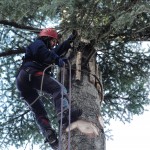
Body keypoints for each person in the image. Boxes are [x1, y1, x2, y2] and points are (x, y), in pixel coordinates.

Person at [16, 28, 82, 149]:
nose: (53, 45)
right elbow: (48, 54)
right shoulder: (38, 44)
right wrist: (58, 60)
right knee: (58, 88)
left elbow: (55, 52)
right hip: (30, 72)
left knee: (39, 110)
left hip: (23, 81)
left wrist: (68, 42)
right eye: (53, 41)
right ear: (46, 38)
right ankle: (64, 114)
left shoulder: (44, 50)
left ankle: (48, 133)